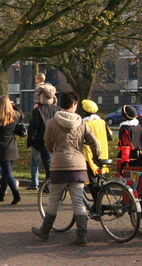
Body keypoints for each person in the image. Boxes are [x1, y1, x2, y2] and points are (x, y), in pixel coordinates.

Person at [32, 91, 100, 246]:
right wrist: (97, 158)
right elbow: (94, 142)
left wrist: (56, 152)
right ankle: (82, 235)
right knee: (78, 201)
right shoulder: (82, 123)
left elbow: (47, 143)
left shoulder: (51, 123)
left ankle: (44, 231)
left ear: (60, 104)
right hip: (78, 167)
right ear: (74, 104)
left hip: (59, 166)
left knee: (54, 200)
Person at [0, 95, 21, 205]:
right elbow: (21, 115)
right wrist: (16, 107)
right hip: (12, 146)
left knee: (7, 173)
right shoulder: (15, 115)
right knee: (6, 172)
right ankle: (1, 194)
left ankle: (16, 194)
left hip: (2, 147)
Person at [27, 87, 60, 186]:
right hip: (57, 140)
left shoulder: (38, 111)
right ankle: (50, 185)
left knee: (47, 164)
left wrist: (31, 141)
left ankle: (48, 185)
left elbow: (33, 127)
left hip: (43, 141)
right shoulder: (58, 110)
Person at [80, 99, 111, 175]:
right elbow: (109, 136)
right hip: (102, 151)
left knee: (90, 173)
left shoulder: (84, 123)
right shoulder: (102, 122)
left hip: (89, 151)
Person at [118, 105, 142, 175]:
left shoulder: (124, 128)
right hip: (140, 155)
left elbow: (125, 145)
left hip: (129, 156)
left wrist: (124, 163)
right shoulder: (139, 126)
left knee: (127, 177)